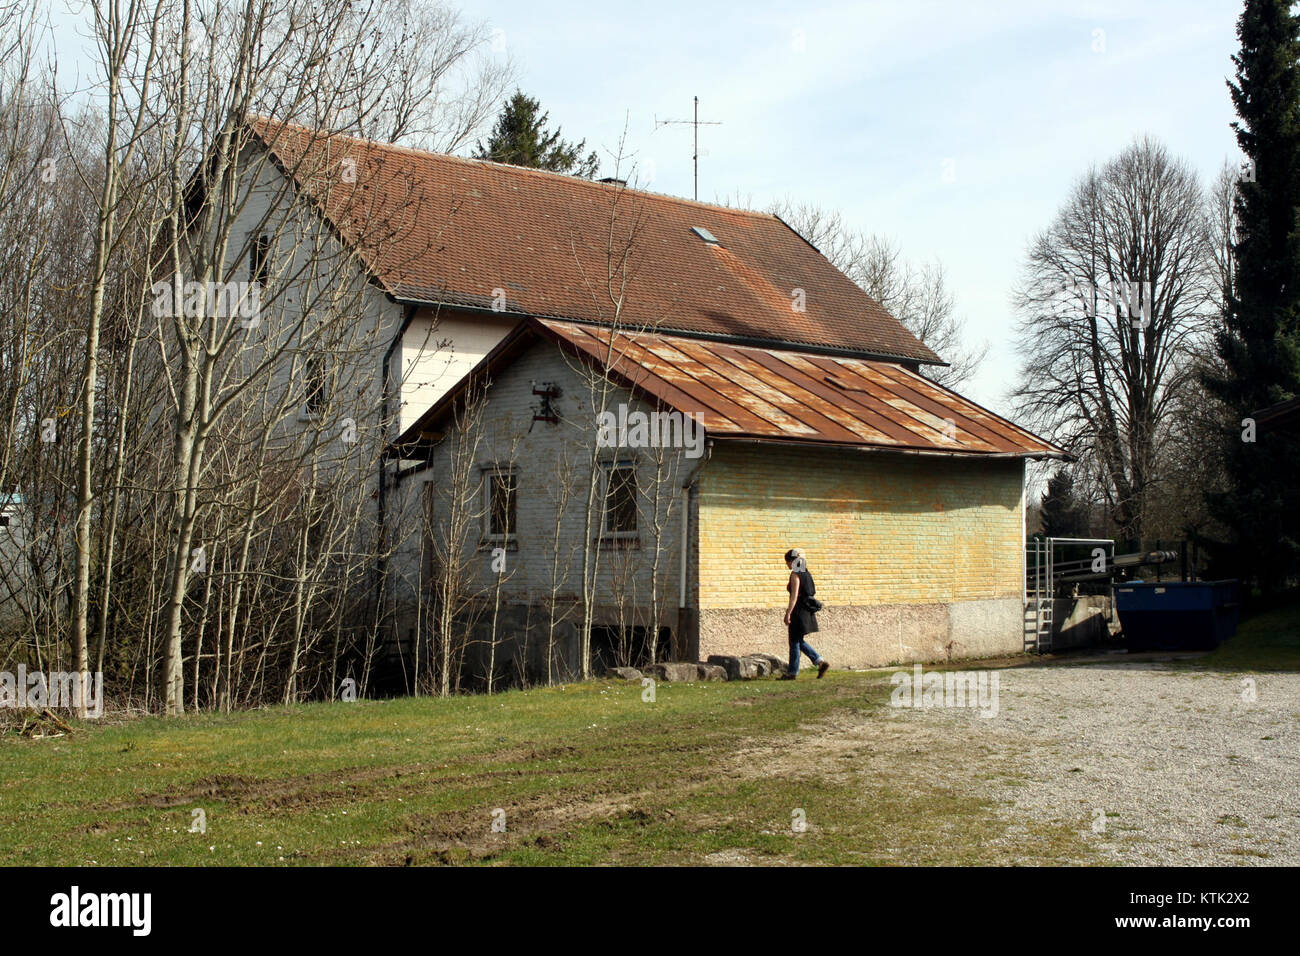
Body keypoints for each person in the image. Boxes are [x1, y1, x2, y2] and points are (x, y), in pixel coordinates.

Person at [780, 548, 829, 680]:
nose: (787, 565)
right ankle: (819, 662)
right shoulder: (807, 573)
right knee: (798, 640)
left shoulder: (795, 574)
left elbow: (794, 596)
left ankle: (792, 672)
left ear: (792, 561)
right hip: (807, 611)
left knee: (794, 642)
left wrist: (788, 613)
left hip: (798, 611)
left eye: (788, 562)